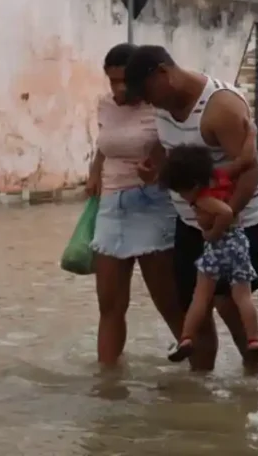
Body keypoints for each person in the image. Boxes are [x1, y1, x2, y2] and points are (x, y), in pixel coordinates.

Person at [122, 45, 258, 371]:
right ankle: (199, 393)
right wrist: (157, 171)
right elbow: (171, 148)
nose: (147, 103)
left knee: (230, 305)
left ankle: (253, 389)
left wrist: (222, 219)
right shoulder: (163, 106)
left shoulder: (221, 109)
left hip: (237, 220)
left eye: (147, 93)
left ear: (163, 73)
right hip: (191, 220)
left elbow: (252, 170)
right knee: (194, 304)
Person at [85, 43, 184, 368]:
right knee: (109, 305)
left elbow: (179, 151)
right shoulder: (105, 106)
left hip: (152, 205)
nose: (117, 89)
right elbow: (105, 144)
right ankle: (107, 382)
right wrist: (95, 171)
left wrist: (160, 167)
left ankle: (197, 374)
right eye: (111, 81)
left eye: (123, 81)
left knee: (168, 302)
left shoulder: (160, 107)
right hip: (112, 206)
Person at [159, 143, 258, 365]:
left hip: (216, 248)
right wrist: (251, 133)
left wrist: (211, 234)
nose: (182, 196)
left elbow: (226, 212)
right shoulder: (220, 176)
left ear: (193, 184)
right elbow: (244, 159)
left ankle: (187, 339)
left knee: (200, 296)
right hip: (238, 244)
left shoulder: (201, 199)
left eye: (181, 190)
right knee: (242, 298)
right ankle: (253, 340)